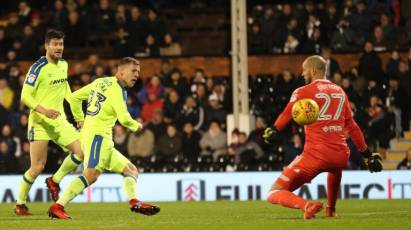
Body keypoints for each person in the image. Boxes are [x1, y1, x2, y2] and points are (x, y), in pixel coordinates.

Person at [262, 55, 383, 220]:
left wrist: (274, 129)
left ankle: (307, 206)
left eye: (304, 71)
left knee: (273, 192)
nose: (303, 74)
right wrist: (367, 155)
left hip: (315, 155)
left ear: (313, 70)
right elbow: (353, 127)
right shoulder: (340, 91)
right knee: (335, 168)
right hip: (341, 155)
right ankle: (331, 210)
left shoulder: (303, 91)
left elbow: (287, 112)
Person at [48, 57, 160, 219]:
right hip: (97, 138)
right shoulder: (117, 89)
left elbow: (74, 98)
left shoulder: (100, 82)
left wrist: (80, 118)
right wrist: (137, 126)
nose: (136, 75)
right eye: (133, 71)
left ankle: (134, 201)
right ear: (121, 71)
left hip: (99, 139)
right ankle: (57, 206)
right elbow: (124, 118)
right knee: (90, 175)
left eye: (138, 72)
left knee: (131, 170)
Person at [15, 30, 84, 215]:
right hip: (39, 122)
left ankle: (55, 180)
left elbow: (66, 88)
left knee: (82, 152)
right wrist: (45, 111)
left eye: (61, 44)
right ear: (46, 46)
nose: (59, 48)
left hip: (59, 120)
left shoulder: (64, 64)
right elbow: (25, 96)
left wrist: (78, 115)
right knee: (37, 167)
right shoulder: (37, 68)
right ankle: (20, 204)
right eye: (55, 44)